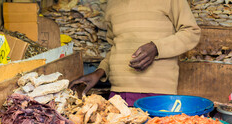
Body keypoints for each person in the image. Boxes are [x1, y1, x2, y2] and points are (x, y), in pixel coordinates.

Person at [69, 0, 201, 106]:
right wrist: (99, 72)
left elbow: (191, 32)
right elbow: (115, 46)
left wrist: (156, 48)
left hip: (156, 93)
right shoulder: (112, 4)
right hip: (119, 94)